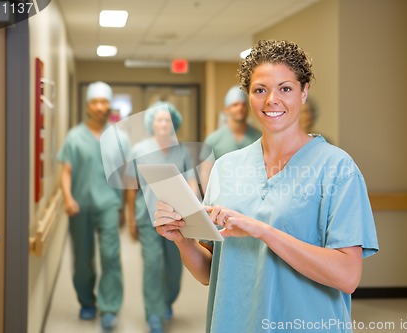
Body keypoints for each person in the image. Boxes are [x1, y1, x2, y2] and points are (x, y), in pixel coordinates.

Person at [154, 40, 379, 333]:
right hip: (233, 322)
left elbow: (348, 276)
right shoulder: (227, 167)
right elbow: (212, 272)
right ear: (249, 96)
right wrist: (181, 238)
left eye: (285, 88)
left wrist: (262, 230)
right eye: (260, 90)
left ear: (304, 92)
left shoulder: (337, 168)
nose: (272, 100)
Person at [58, 81, 127, 331]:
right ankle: (87, 302)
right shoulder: (74, 137)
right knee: (83, 259)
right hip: (81, 206)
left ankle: (109, 307)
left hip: (109, 205)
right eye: (96, 102)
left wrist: (125, 210)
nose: (100, 107)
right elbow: (66, 171)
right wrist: (67, 198)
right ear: (88, 105)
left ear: (110, 105)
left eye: (104, 102)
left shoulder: (119, 137)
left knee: (110, 256)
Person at [126, 101, 198, 333]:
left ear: (174, 123)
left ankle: (167, 300)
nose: (164, 123)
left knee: (174, 266)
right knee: (153, 265)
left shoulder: (182, 151)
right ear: (152, 124)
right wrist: (129, 218)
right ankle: (154, 313)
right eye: (159, 120)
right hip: (147, 217)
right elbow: (131, 186)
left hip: (177, 219)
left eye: (168, 120)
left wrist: (194, 205)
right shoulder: (139, 150)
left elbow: (191, 181)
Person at [204, 85, 261, 160]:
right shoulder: (212, 141)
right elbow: (206, 170)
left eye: (243, 104)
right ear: (226, 110)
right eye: (235, 105)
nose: (240, 108)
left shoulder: (259, 138)